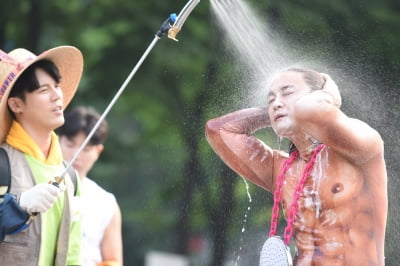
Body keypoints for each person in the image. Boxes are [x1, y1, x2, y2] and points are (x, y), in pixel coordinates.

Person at [205, 67, 387, 265]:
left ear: (319, 97)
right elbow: (218, 130)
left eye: (288, 93)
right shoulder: (282, 169)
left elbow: (308, 110)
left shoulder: (360, 146)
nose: (276, 103)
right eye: (271, 99)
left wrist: (328, 95)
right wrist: (278, 113)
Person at [0, 46, 84, 265]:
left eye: (57, 86)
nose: (57, 95)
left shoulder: (70, 176)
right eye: (43, 90)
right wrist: (19, 205)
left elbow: (73, 254)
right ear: (16, 104)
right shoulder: (2, 164)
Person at [57, 106, 123, 266]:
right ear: (57, 140)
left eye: (85, 149)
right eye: (70, 145)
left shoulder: (106, 203)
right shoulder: (38, 183)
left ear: (98, 152)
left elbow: (113, 260)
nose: (76, 155)